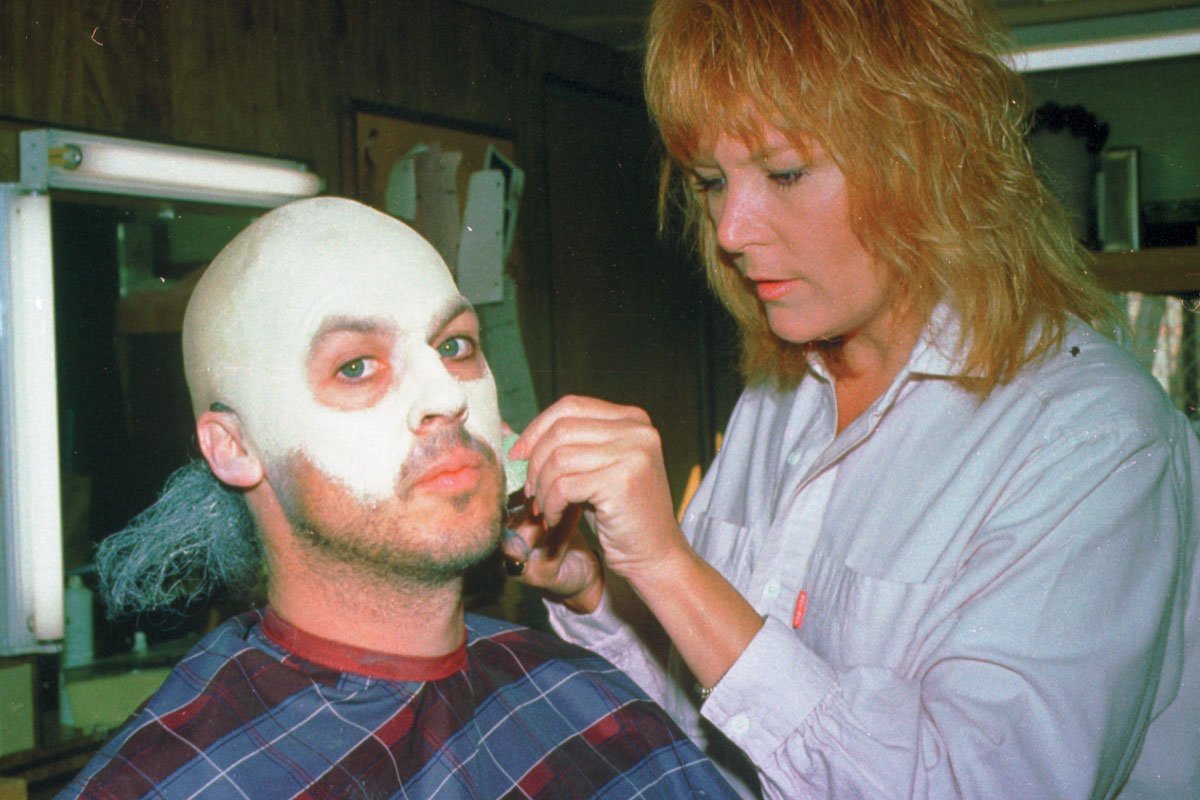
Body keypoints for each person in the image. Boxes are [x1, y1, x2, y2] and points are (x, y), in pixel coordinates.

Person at [499, 1, 1200, 798]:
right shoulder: (782, 396)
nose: (730, 230)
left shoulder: (1096, 439)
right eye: (712, 182)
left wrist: (670, 567)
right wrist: (607, 591)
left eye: (784, 173)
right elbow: (719, 745)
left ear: (925, 160)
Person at [61, 197, 736, 799]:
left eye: (455, 345)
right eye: (356, 366)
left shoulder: (586, 696)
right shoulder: (166, 782)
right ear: (234, 448)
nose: (446, 394)